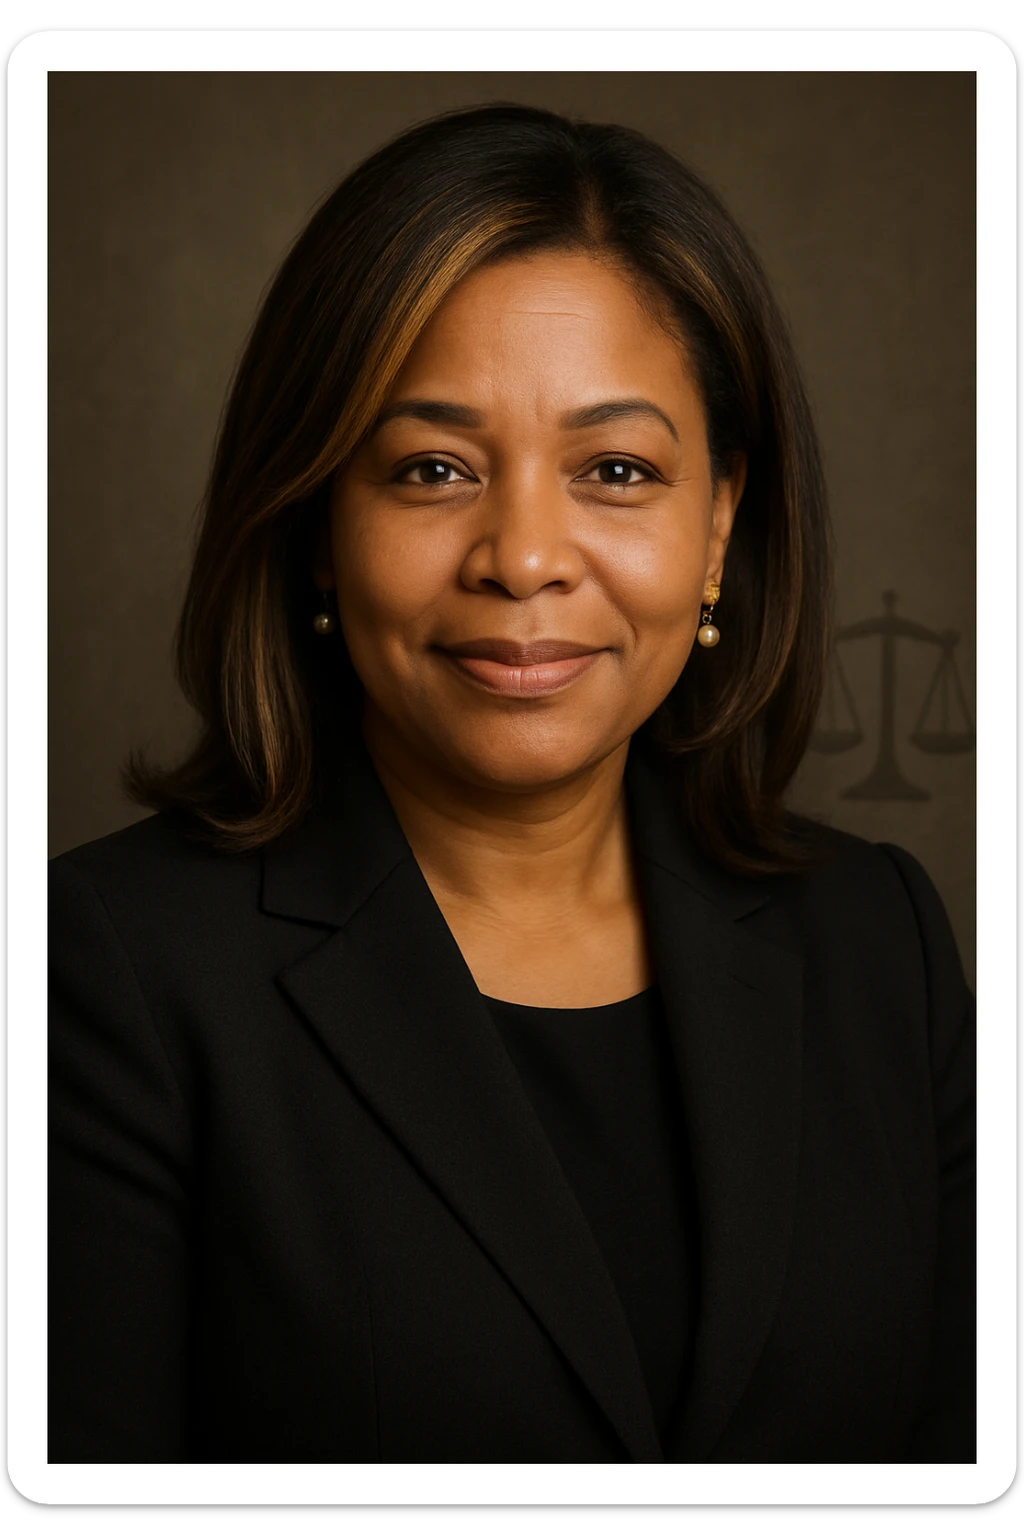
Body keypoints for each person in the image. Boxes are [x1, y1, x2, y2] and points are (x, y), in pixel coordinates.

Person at [48, 102, 975, 1465]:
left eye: (615, 470)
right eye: (432, 469)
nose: (525, 557)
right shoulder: (103, 973)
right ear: (317, 522)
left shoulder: (878, 940)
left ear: (717, 521)